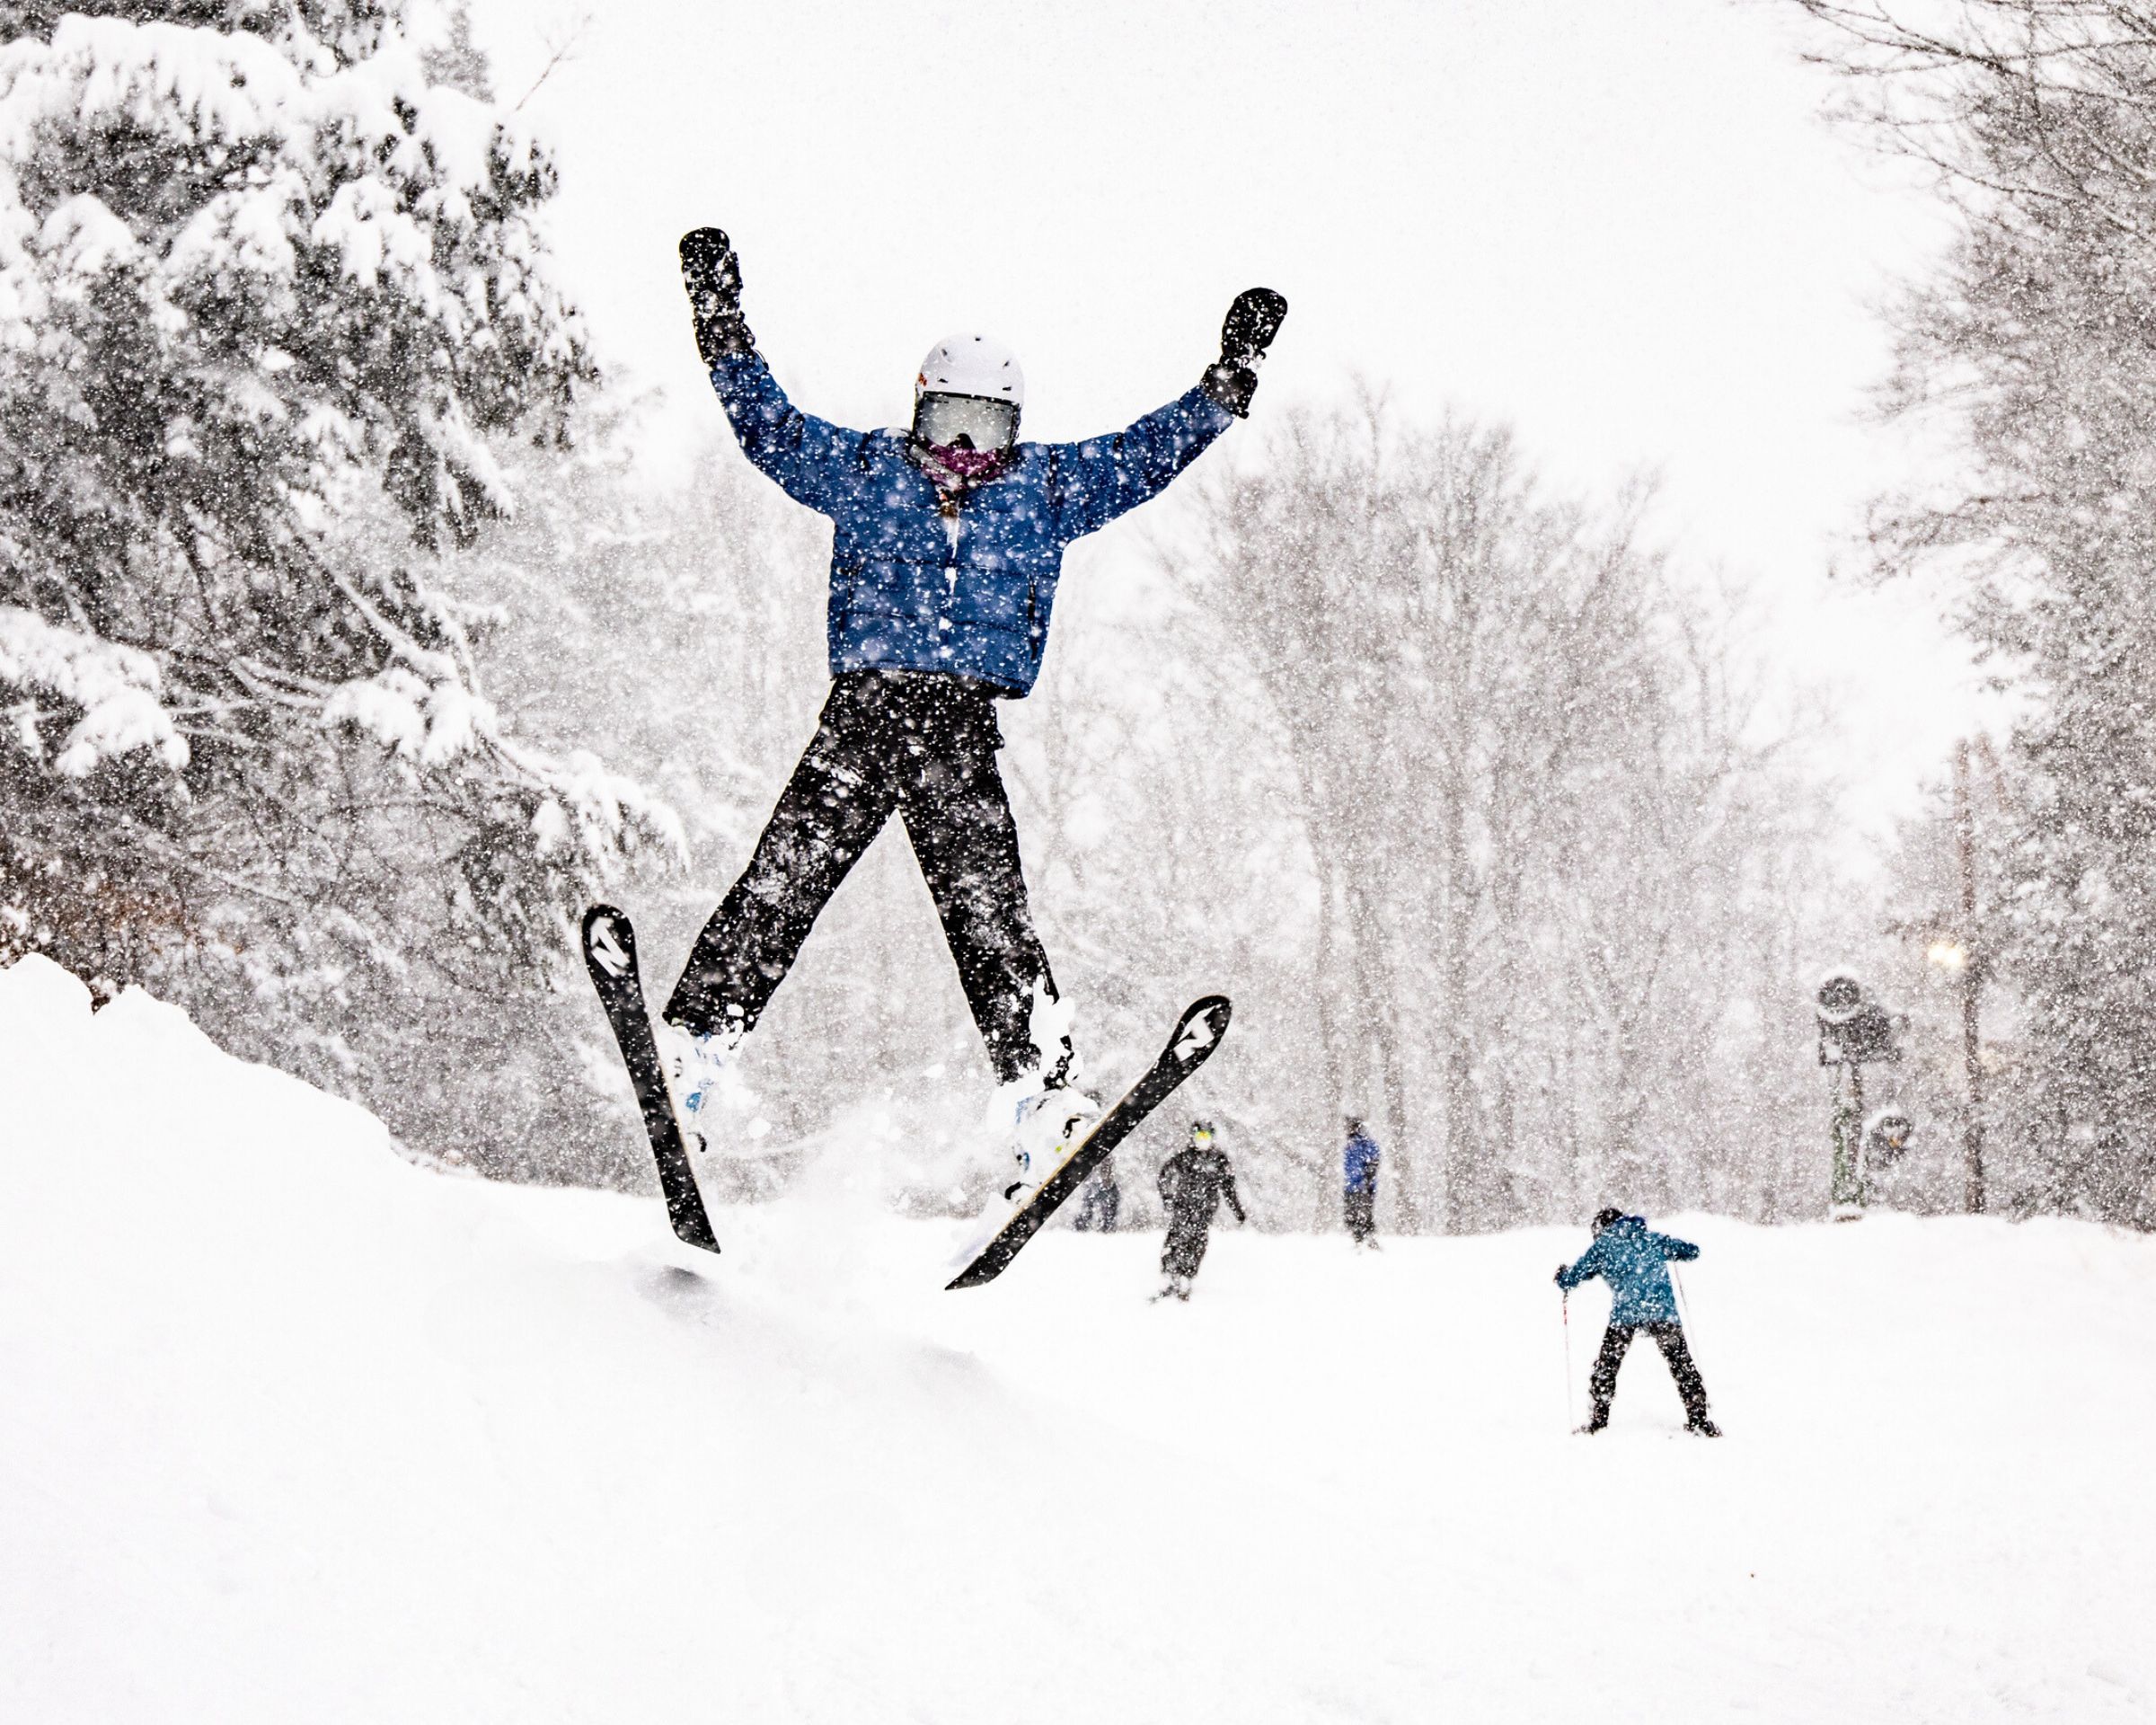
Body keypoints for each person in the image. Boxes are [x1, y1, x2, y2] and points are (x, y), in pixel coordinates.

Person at [652, 226, 1286, 1202]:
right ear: (916, 416)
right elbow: (767, 427)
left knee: (991, 915)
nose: (960, 451)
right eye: (946, 423)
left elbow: (1143, 457)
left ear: (1013, 431)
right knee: (784, 882)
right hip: (866, 714)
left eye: (982, 430)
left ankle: (1040, 1095)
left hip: (957, 728)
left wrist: (1224, 385)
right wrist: (721, 325)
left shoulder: (1045, 490)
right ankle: (696, 1046)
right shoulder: (866, 472)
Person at [1555, 1208, 1719, 1437]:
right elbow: (1692, 1251)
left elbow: (1572, 1278)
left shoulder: (1602, 1247)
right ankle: (1699, 1420)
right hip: (1663, 1313)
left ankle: (1597, 1422)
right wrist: (1670, 1250)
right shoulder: (1652, 1239)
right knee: (1682, 1364)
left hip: (1626, 1314)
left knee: (1607, 1366)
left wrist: (1563, 1276)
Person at [1153, 1119, 1246, 1300]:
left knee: (1197, 1242)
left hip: (1205, 1210)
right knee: (1175, 1239)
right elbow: (1165, 1175)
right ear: (1193, 1137)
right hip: (1183, 1206)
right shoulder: (1184, 1157)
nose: (1203, 1140)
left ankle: (1187, 1275)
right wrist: (1167, 1198)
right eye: (1199, 1136)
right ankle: (1169, 1274)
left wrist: (1237, 1210)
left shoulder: (1219, 1160)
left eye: (1206, 1136)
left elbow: (1228, 1188)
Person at [1342, 1116, 1381, 1246]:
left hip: (1362, 1186)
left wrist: (1367, 1179)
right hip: (1352, 1186)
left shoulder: (1363, 1145)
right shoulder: (1351, 1145)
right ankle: (1360, 1240)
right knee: (1353, 1214)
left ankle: (1366, 1240)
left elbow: (1373, 1162)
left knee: (1362, 1214)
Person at [1071, 1155, 1122, 1233]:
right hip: (1097, 1188)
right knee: (1089, 1211)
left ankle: (1104, 1229)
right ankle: (1084, 1228)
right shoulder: (1094, 1184)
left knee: (1107, 1214)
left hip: (1102, 1189)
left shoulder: (1108, 1187)